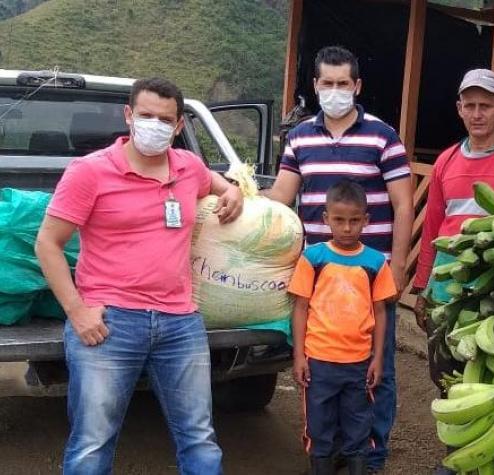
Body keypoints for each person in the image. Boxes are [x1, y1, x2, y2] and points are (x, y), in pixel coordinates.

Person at [35, 77, 244, 474]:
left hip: (180, 322)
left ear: (179, 125)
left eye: (165, 120)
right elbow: (48, 243)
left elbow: (218, 184)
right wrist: (77, 312)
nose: (155, 125)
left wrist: (232, 189)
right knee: (92, 444)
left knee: (200, 439)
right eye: (146, 115)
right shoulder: (89, 172)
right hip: (111, 322)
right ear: (129, 115)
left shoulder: (188, 167)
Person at [266, 46, 412, 471]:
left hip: (371, 275)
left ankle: (371, 456)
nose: (334, 91)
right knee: (324, 369)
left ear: (357, 86)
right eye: (326, 83)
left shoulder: (383, 136)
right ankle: (327, 452)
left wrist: (397, 268)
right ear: (315, 86)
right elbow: (281, 196)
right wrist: (239, 198)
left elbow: (404, 205)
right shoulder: (299, 138)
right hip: (323, 280)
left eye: (342, 83)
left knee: (376, 373)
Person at [412, 68, 494, 388]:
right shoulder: (446, 162)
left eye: (485, 106)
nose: (477, 114)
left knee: (490, 379)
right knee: (445, 377)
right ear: (460, 109)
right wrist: (422, 287)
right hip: (446, 291)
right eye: (470, 105)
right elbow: (433, 228)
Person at [289, 180, 396, 475]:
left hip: (359, 363)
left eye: (354, 221)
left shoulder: (375, 263)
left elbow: (381, 312)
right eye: (339, 220)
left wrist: (377, 358)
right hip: (319, 362)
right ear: (326, 219)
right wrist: (299, 356)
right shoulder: (313, 258)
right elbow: (300, 307)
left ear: (366, 220)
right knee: (319, 427)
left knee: (359, 426)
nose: (347, 228)